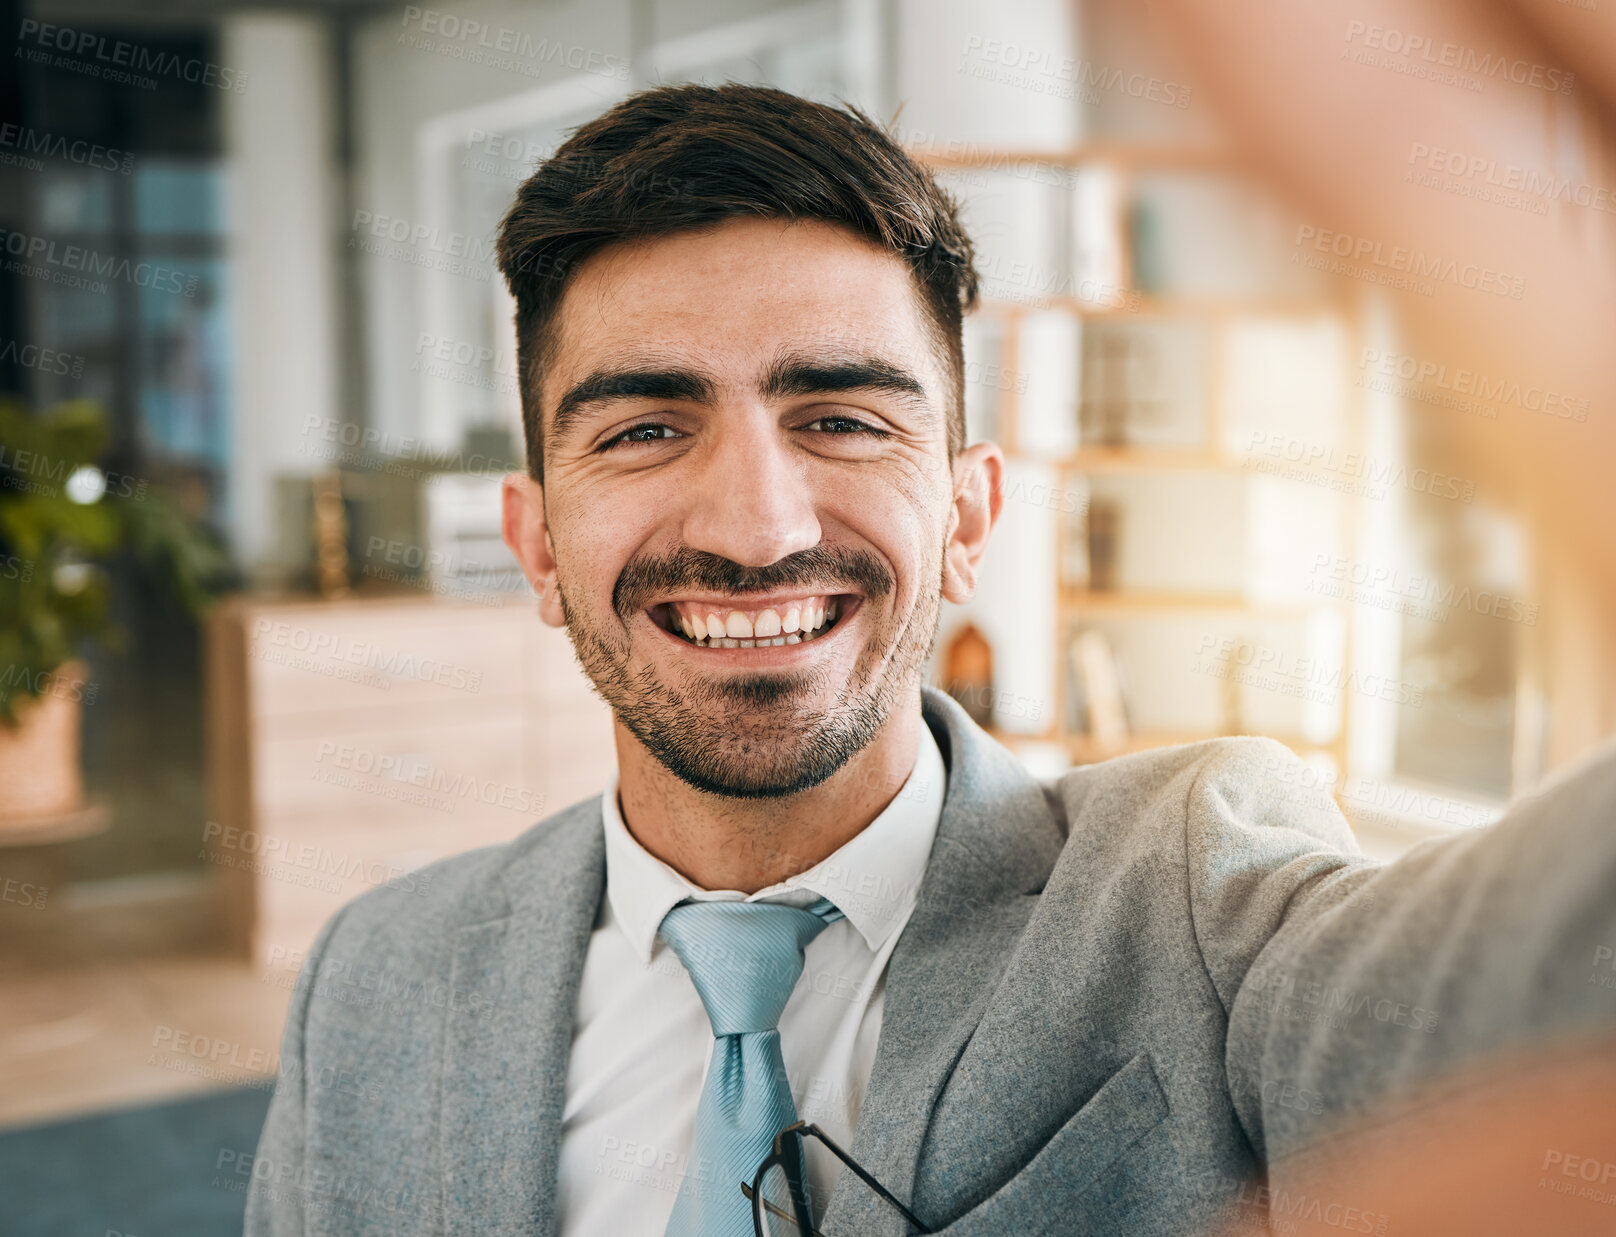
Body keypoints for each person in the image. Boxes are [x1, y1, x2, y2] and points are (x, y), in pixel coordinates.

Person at [244, 84, 1616, 1237]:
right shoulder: (375, 975)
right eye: (645, 430)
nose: (756, 527)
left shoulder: (1193, 890)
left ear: (967, 518)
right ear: (537, 546)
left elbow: (1532, 994)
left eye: (840, 418)